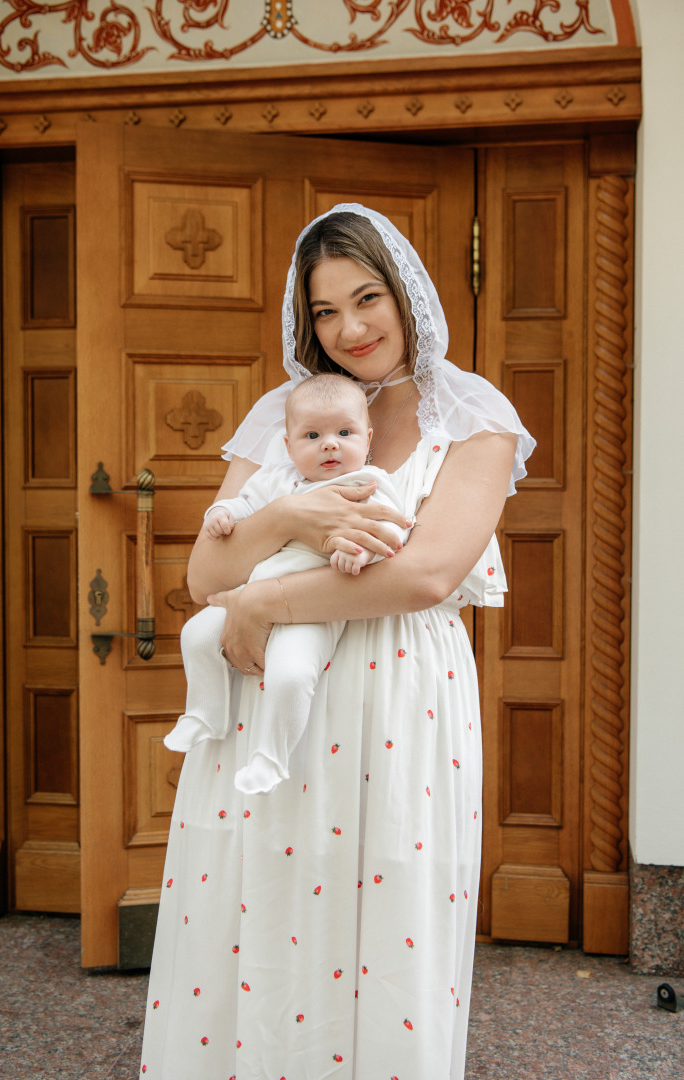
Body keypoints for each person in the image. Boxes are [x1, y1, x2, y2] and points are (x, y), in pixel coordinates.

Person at [140, 204, 534, 1080]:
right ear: (303, 322)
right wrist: (286, 513)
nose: (350, 329)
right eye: (324, 312)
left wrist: (266, 601)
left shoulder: (471, 415)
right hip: (269, 703)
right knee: (263, 905)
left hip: (400, 698)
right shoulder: (288, 412)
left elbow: (424, 575)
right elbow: (207, 574)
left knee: (384, 915)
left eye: (367, 298)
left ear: (407, 294)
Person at [165, 373, 413, 796]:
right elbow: (242, 504)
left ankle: (271, 756)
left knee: (292, 674)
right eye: (312, 434)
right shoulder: (277, 479)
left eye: (344, 432)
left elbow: (392, 532)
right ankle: (205, 713)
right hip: (249, 593)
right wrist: (221, 515)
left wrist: (358, 553)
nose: (330, 443)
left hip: (313, 605)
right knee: (195, 635)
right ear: (288, 445)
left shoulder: (367, 485)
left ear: (367, 438)